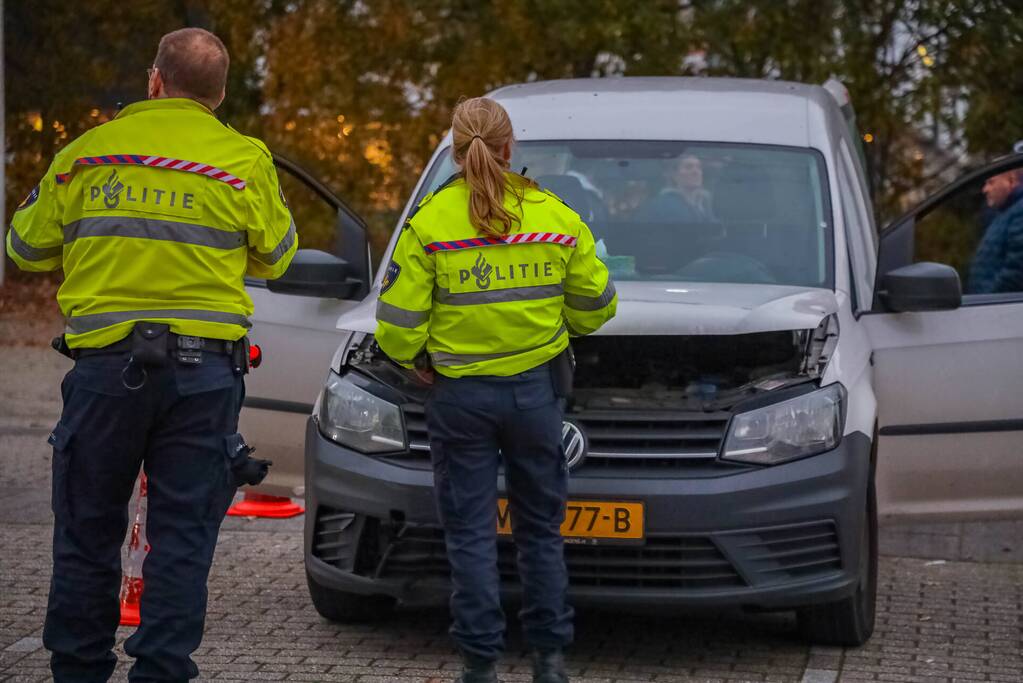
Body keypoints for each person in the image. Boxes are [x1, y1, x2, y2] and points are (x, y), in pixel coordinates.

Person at [6, 28, 295, 682]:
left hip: (106, 371)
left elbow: (23, 249)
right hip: (205, 378)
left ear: (154, 80)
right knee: (182, 543)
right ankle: (161, 671)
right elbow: (278, 256)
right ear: (218, 96)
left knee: (85, 537)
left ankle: (77, 671)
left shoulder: (85, 155)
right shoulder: (242, 160)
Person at [374, 97, 616, 683]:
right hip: (535, 397)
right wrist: (557, 327)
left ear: (456, 152)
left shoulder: (429, 223)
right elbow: (598, 306)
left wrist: (419, 362)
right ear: (511, 149)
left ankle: (480, 664)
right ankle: (550, 660)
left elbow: (396, 328)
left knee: (472, 534)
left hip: (459, 400)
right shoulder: (554, 216)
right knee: (540, 531)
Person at [967, 168, 1023, 294]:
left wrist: (987, 299)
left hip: (995, 308)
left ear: (1011, 181)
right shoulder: (1006, 213)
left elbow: (1017, 271)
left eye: (991, 182)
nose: (985, 189)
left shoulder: (1019, 212)